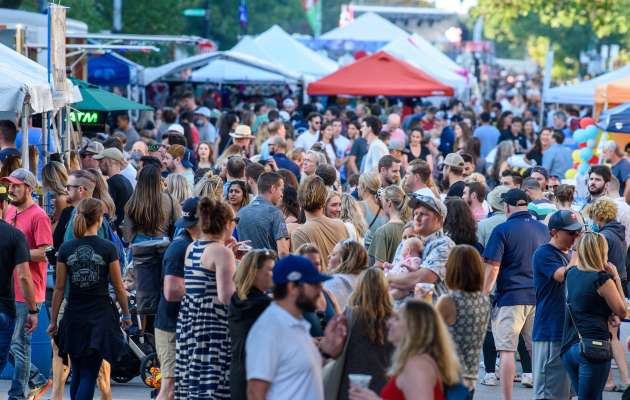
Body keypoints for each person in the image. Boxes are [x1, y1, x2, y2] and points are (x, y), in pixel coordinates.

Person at [48, 198, 130, 400]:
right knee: (89, 373)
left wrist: (53, 321)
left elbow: (59, 289)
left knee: (77, 371)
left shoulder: (66, 249)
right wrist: (127, 314)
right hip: (99, 315)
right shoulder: (108, 248)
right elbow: (119, 287)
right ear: (100, 219)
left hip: (73, 314)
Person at [482, 188, 550, 399]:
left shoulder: (502, 230)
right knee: (537, 350)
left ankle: (507, 398)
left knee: (507, 351)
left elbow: (493, 267)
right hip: (538, 297)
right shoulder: (543, 229)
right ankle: (542, 395)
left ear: (507, 207)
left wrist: (484, 292)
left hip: (510, 297)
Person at [245, 254, 343, 400]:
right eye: (314, 284)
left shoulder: (297, 323)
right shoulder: (269, 329)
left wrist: (326, 352)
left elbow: (300, 372)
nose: (320, 290)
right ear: (292, 288)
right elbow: (255, 393)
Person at [175, 197, 237, 399]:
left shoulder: (193, 247)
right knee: (214, 377)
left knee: (195, 375)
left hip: (191, 319)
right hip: (212, 322)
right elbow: (227, 296)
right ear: (226, 223)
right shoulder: (221, 252)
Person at [1, 168, 53, 400]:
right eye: (10, 185)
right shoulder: (10, 210)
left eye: (16, 186)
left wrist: (16, 253)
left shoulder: (39, 215)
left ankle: (17, 395)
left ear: (29, 188)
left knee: (18, 345)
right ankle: (37, 379)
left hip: (29, 289)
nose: (11, 189)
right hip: (8, 288)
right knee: (10, 343)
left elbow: (44, 253)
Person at [348, 300, 460, 400]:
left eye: (397, 319)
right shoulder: (416, 361)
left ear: (414, 327)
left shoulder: (417, 366)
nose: (388, 322)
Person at [561, 232, 626, 400]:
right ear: (602, 251)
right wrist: (616, 278)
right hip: (593, 347)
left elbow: (586, 302)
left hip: (570, 346)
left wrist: (609, 313)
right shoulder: (602, 279)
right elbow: (622, 310)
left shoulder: (571, 273)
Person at [531, 210, 582, 400]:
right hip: (550, 331)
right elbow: (562, 275)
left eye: (577, 232)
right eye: (571, 232)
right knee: (549, 393)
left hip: (568, 333)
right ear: (554, 232)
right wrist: (578, 251)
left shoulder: (569, 255)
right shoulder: (544, 253)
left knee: (565, 394)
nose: (576, 236)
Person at [324, 268, 395, 400]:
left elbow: (335, 350)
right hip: (381, 389)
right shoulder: (395, 321)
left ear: (359, 288)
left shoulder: (350, 316)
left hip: (349, 387)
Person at [155, 197, 200, 400]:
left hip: (181, 324)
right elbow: (171, 290)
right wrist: (206, 286)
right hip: (170, 325)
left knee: (181, 386)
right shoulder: (180, 247)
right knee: (170, 387)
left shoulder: (193, 244)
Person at [436, 244, 490, 394]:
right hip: (470, 377)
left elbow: (428, 334)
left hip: (448, 376)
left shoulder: (449, 301)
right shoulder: (484, 300)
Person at [228, 249, 276, 400]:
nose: (274, 274)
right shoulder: (264, 305)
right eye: (270, 270)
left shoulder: (236, 298)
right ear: (255, 272)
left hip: (238, 374)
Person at [387, 195, 454, 298]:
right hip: (398, 306)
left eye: (422, 214)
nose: (417, 218)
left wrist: (388, 278)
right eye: (415, 213)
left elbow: (422, 279)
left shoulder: (445, 244)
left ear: (439, 220)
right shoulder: (406, 242)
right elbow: (396, 270)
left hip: (427, 307)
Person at [0, 207, 37, 379]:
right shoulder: (14, 235)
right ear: (3, 205)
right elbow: (24, 276)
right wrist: (33, 310)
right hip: (3, 308)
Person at [291, 176, 349, 268]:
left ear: (299, 200)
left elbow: (302, 269)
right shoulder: (340, 225)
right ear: (324, 199)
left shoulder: (299, 233)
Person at [122, 164, 181, 243]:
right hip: (163, 244)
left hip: (139, 245)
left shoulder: (133, 201)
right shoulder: (171, 200)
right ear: (159, 180)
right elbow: (179, 226)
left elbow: (127, 236)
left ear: (140, 180)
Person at [237, 172, 290, 257]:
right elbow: (283, 252)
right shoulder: (275, 213)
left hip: (246, 264)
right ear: (273, 188)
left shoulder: (241, 212)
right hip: (268, 264)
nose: (282, 194)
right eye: (281, 190)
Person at [93, 147, 133, 230]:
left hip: (115, 230)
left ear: (109, 161)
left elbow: (107, 211)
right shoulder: (127, 181)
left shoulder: (111, 183)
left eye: (101, 161)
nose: (99, 165)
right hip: (124, 229)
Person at [325, 240, 369, 311]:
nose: (328, 257)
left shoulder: (334, 282)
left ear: (345, 260)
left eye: (333, 254)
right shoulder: (366, 281)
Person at [369, 185, 406, 267]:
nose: (382, 205)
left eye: (382, 201)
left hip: (387, 275)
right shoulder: (409, 228)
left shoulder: (382, 232)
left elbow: (379, 265)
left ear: (389, 203)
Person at [358, 172, 387, 248]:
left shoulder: (360, 206)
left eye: (359, 184)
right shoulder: (385, 206)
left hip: (366, 251)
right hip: (381, 251)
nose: (357, 187)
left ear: (364, 187)